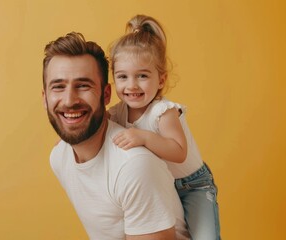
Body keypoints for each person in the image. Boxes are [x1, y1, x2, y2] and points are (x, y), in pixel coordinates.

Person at [42, 32, 190, 240]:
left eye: (83, 85)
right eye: (58, 87)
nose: (68, 100)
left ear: (106, 95)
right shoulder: (59, 157)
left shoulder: (134, 166)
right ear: (45, 98)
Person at [108, 14, 221, 240]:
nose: (131, 85)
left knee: (204, 237)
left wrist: (145, 138)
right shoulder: (118, 111)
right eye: (122, 77)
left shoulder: (163, 112)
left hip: (193, 186)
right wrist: (69, 141)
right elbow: (98, 126)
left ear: (161, 80)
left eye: (142, 76)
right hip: (163, 186)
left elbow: (178, 152)